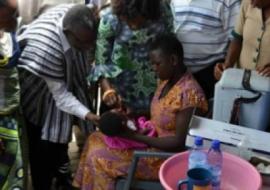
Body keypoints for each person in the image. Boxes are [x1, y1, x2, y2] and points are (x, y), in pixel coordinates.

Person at [73, 33, 208, 190]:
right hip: (150, 142)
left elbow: (178, 143)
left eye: (157, 64)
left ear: (173, 60)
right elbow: (161, 113)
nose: (154, 69)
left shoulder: (189, 94)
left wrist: (134, 136)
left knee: (98, 155)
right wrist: (133, 113)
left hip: (163, 159)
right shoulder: (167, 82)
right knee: (94, 138)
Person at [17, 4, 99, 190]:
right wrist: (89, 115)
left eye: (90, 43)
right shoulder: (49, 49)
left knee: (59, 139)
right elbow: (61, 97)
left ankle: (61, 175)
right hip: (36, 93)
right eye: (82, 43)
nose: (87, 48)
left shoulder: (74, 15)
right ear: (67, 32)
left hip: (58, 84)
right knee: (42, 145)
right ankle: (43, 183)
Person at [90, 0, 173, 116]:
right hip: (122, 93)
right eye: (127, 20)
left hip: (157, 90)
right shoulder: (109, 18)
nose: (133, 26)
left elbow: (171, 46)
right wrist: (108, 91)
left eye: (138, 20)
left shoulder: (162, 10)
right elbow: (101, 62)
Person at [171, 0, 240, 98]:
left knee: (210, 111)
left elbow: (236, 37)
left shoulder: (228, 2)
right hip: (182, 73)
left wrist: (226, 66)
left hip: (212, 72)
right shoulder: (175, 1)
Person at [0, 0, 25, 189]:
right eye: (11, 13)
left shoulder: (10, 34)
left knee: (16, 173)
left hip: (13, 115)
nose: (16, 18)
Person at [215, 0, 270, 79]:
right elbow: (237, 38)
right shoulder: (246, 3)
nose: (252, 4)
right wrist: (227, 65)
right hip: (241, 79)